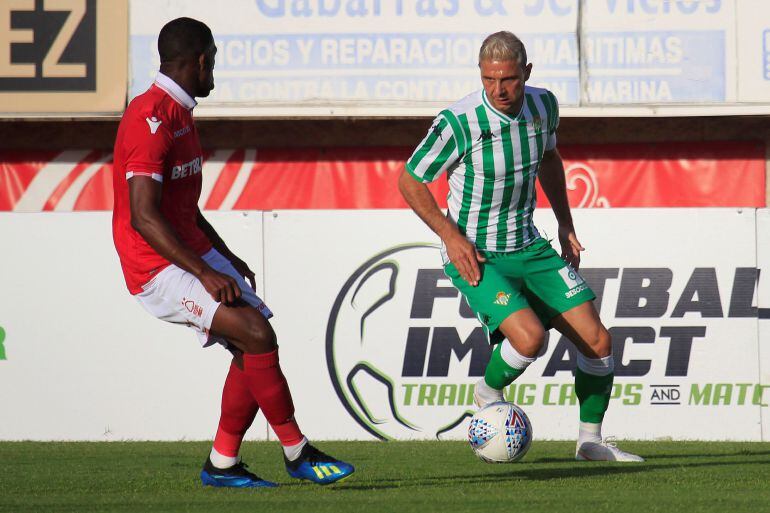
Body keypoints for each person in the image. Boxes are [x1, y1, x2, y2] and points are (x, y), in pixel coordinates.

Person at [112, 17, 354, 487]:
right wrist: (205, 272)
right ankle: (297, 452)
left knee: (254, 339)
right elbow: (144, 216)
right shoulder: (150, 119)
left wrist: (226, 255)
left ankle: (222, 464)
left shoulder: (179, 113)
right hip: (154, 265)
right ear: (200, 60)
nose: (215, 69)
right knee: (255, 333)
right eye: (214, 59)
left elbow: (183, 207)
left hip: (190, 250)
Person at [398, 31, 642, 462]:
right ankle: (487, 394)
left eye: (508, 79)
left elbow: (549, 158)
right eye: (489, 79)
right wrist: (450, 236)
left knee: (599, 342)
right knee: (530, 340)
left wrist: (565, 222)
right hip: (477, 254)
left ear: (526, 73)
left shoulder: (543, 106)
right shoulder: (459, 121)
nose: (499, 89)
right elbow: (410, 180)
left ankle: (590, 442)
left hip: (530, 246)